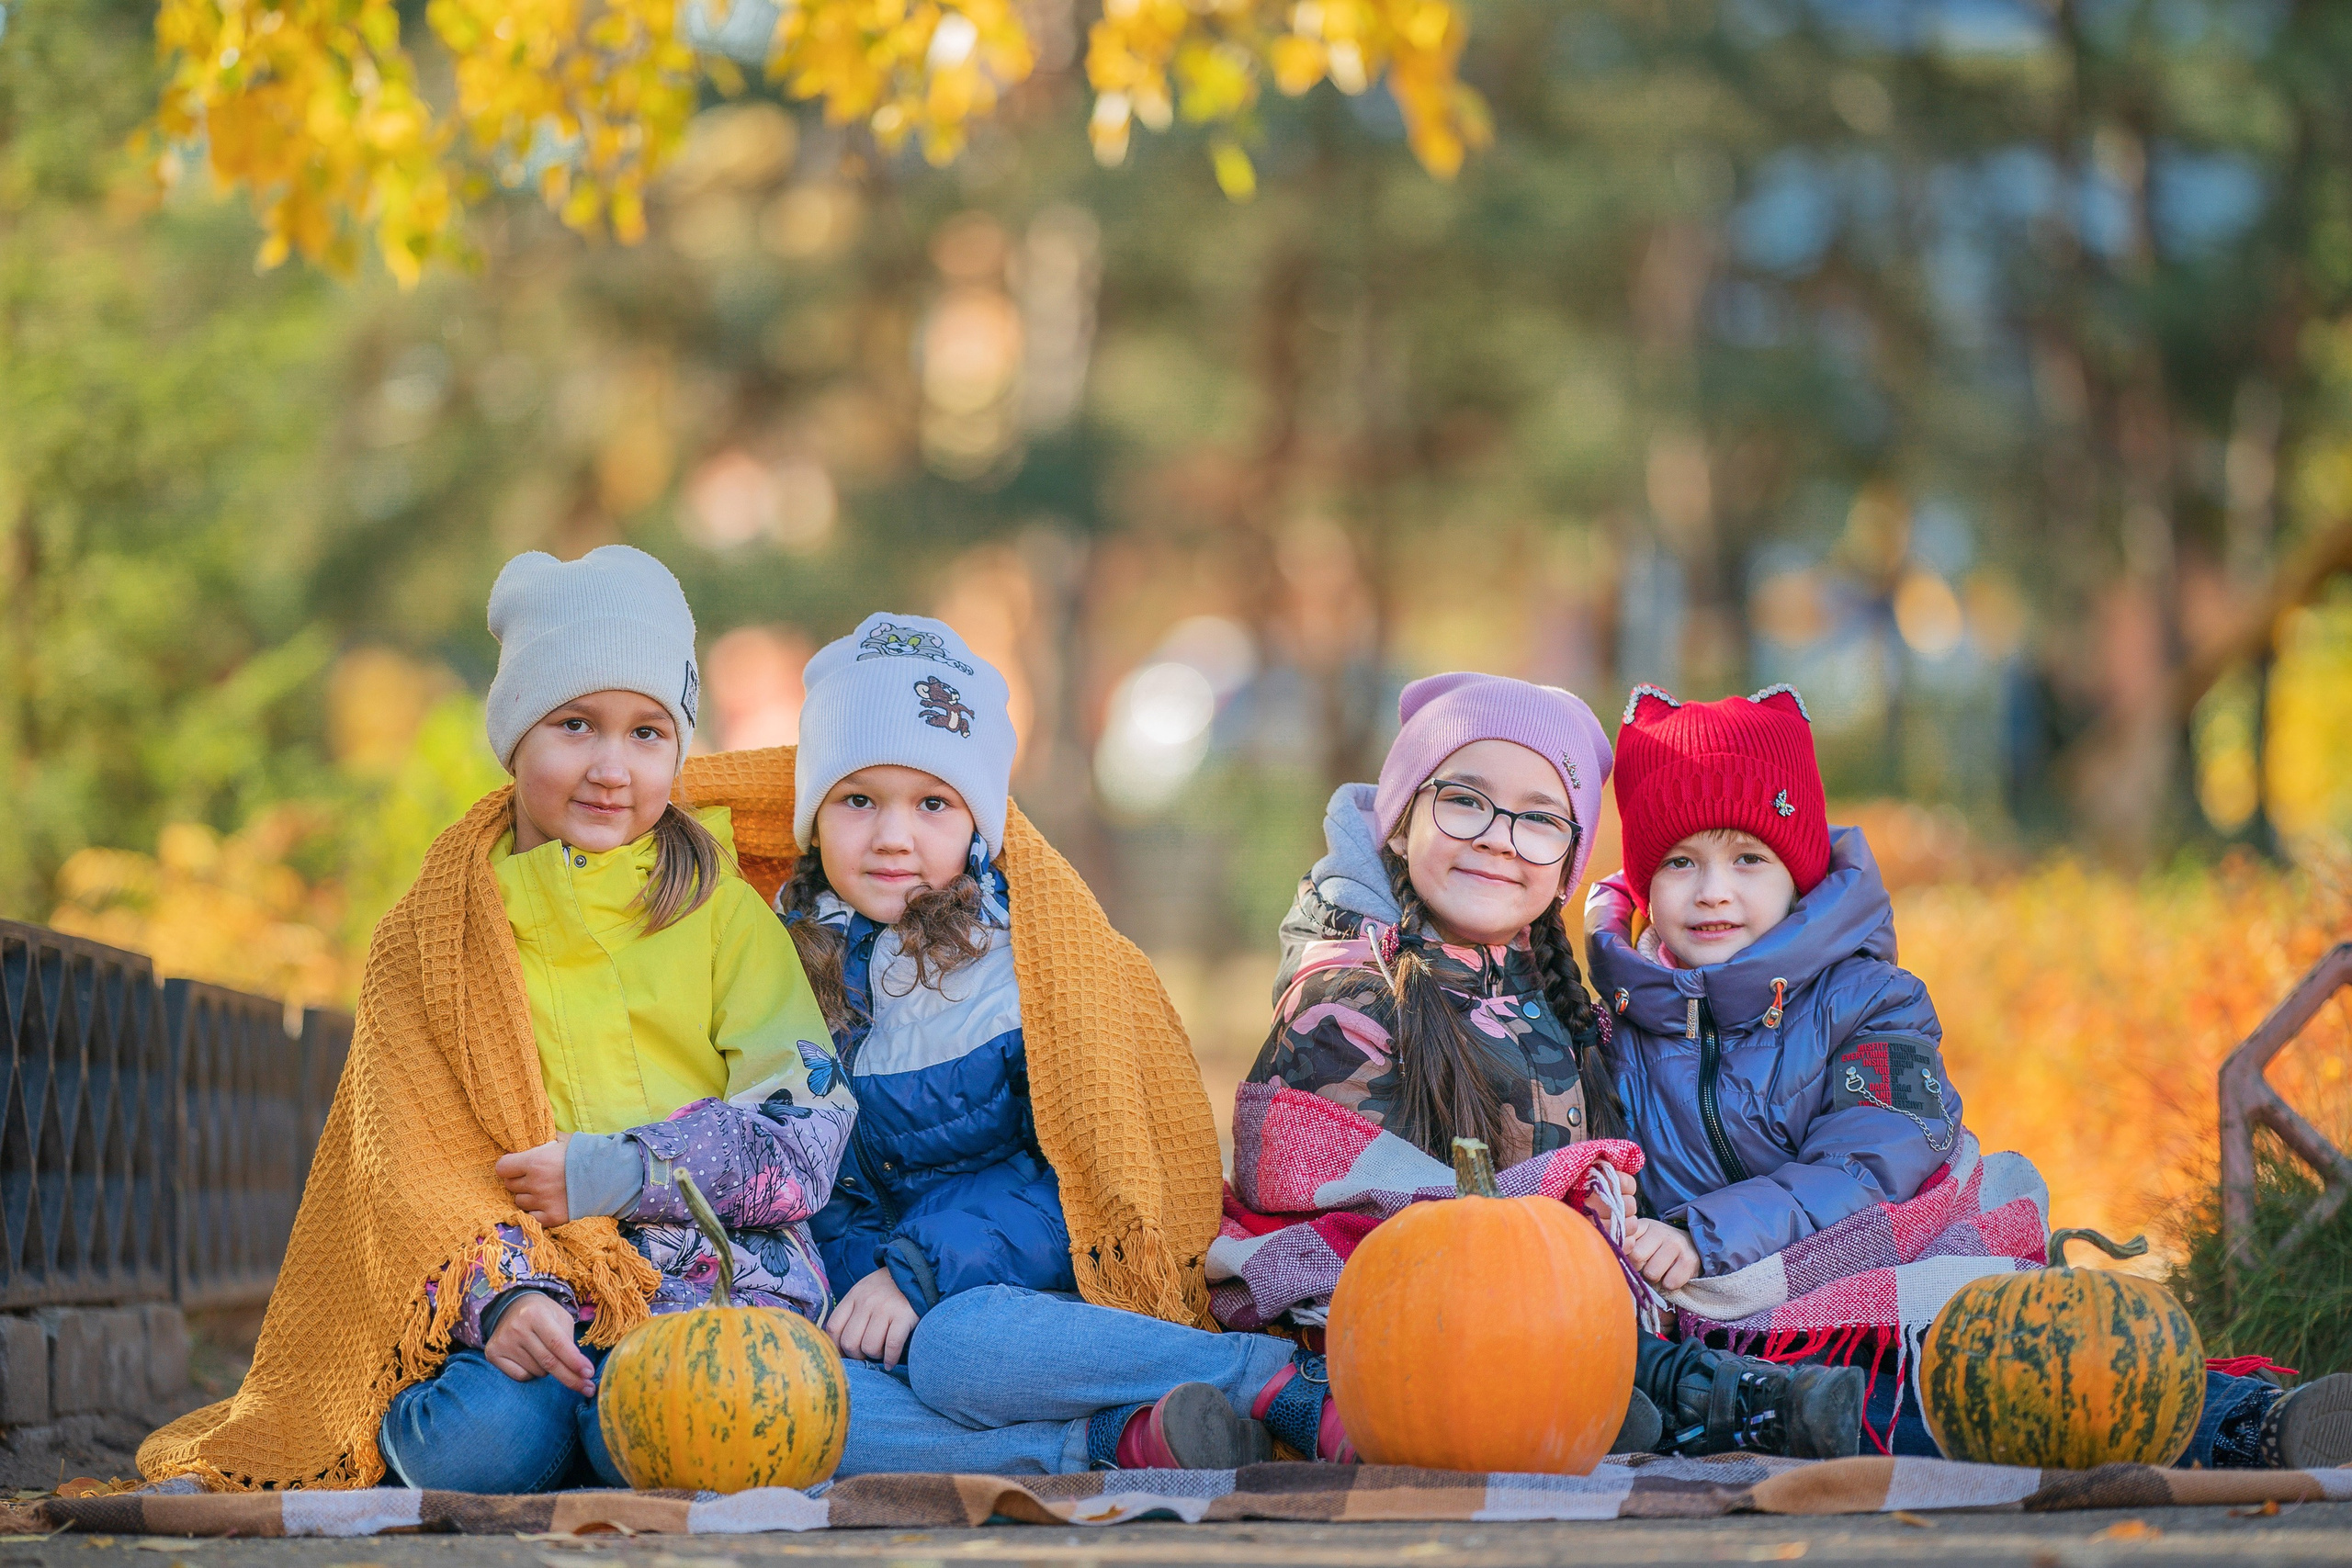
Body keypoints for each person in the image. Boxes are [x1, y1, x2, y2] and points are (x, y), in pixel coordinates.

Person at [140, 546, 857, 1492]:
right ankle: (564, 1424)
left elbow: (804, 1134)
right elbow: (408, 1162)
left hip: (708, 1291)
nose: (611, 767)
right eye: (575, 724)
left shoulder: (720, 916)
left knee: (677, 1420)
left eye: (647, 733)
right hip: (533, 1290)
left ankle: (611, 1433)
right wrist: (505, 1294)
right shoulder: (432, 936)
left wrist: (625, 1171)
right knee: (469, 1446)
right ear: (516, 733)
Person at [1589, 682, 2352, 1469]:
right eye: (1680, 862)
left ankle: (2247, 1423)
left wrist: (1706, 1233)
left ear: (1799, 874)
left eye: (1748, 857)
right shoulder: (1616, 1026)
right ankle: (1777, 1416)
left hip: (1883, 1272)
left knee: (2002, 1371)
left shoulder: (1871, 1001)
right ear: (1644, 881)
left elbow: (1872, 1161)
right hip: (1726, 1326)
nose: (1713, 889)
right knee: (1854, 1409)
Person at [1236, 672, 1862, 1463]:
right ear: (1399, 823)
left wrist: (1612, 1207)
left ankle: (1683, 1397)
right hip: (1384, 1329)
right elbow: (1358, 1222)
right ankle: (1703, 1396)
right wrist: (1565, 1199)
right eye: (1465, 800)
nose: (1500, 838)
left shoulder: (1558, 1005)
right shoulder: (1347, 999)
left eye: (1539, 818)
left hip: (1544, 1315)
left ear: (1567, 862)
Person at [776, 615, 1302, 1474]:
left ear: (979, 821)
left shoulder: (1028, 962)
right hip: (874, 1311)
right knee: (793, 1401)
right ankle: (1110, 1443)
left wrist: (914, 1273)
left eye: (933, 802)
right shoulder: (775, 961)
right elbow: (804, 1173)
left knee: (958, 1348)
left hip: (1027, 1303)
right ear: (814, 815)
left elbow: (1090, 1181)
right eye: (857, 799)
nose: (893, 835)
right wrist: (859, 1282)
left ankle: (1265, 1380)